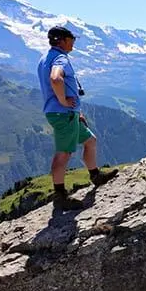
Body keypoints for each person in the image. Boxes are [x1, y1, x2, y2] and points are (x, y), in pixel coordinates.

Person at [37, 26, 117, 210]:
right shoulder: (60, 58)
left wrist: (76, 111)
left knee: (90, 140)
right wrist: (64, 101)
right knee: (64, 153)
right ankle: (60, 196)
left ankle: (96, 176)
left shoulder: (45, 58)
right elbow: (56, 79)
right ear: (62, 40)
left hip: (66, 114)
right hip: (63, 113)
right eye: (71, 38)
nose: (73, 42)